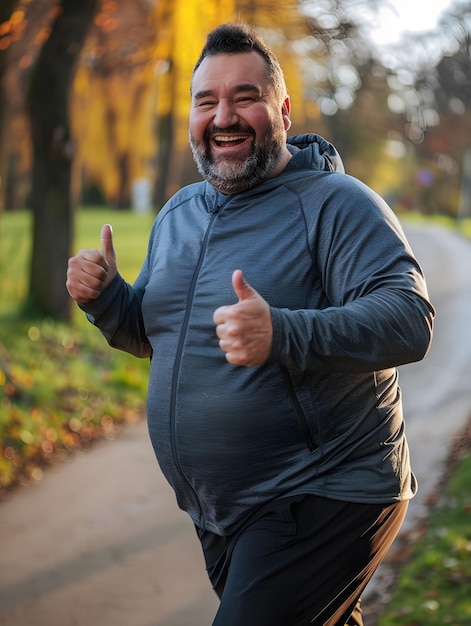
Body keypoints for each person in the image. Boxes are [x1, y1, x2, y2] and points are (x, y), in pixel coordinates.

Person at [66, 22, 435, 626]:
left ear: (283, 110)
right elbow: (164, 339)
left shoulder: (337, 204)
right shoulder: (178, 212)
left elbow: (409, 320)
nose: (223, 116)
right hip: (221, 510)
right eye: (206, 101)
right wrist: (108, 300)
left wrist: (283, 333)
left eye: (245, 97)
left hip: (324, 490)